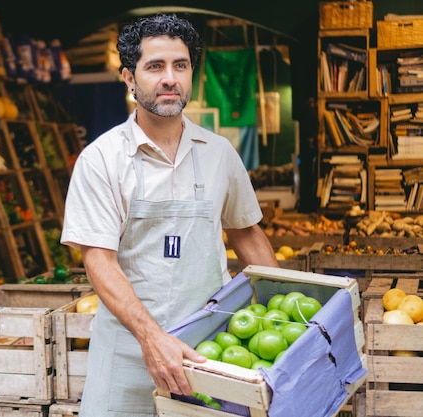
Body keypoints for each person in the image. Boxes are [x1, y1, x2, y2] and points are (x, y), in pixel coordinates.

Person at [60, 13, 279, 416]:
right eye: (155, 66)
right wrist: (151, 338)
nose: (170, 78)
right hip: (127, 355)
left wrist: (287, 316)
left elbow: (247, 235)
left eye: (180, 66)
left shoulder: (219, 154)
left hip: (210, 352)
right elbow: (98, 260)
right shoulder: (101, 160)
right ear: (129, 78)